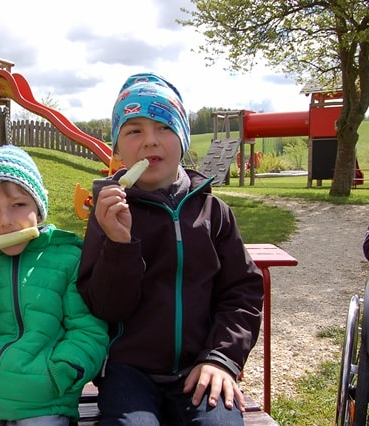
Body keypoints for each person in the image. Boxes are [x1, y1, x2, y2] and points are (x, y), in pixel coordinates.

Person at [76, 73, 265, 425]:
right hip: (128, 372)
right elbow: (104, 308)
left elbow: (242, 294)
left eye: (164, 127)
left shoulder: (214, 213)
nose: (150, 141)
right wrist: (118, 245)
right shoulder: (107, 214)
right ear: (117, 149)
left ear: (183, 139)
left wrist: (221, 358)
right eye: (134, 131)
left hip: (200, 368)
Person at [0, 145, 108, 425]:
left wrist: (63, 371)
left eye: (18, 205)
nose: (6, 221)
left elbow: (87, 330)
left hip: (43, 394)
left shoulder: (68, 258)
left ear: (38, 209)